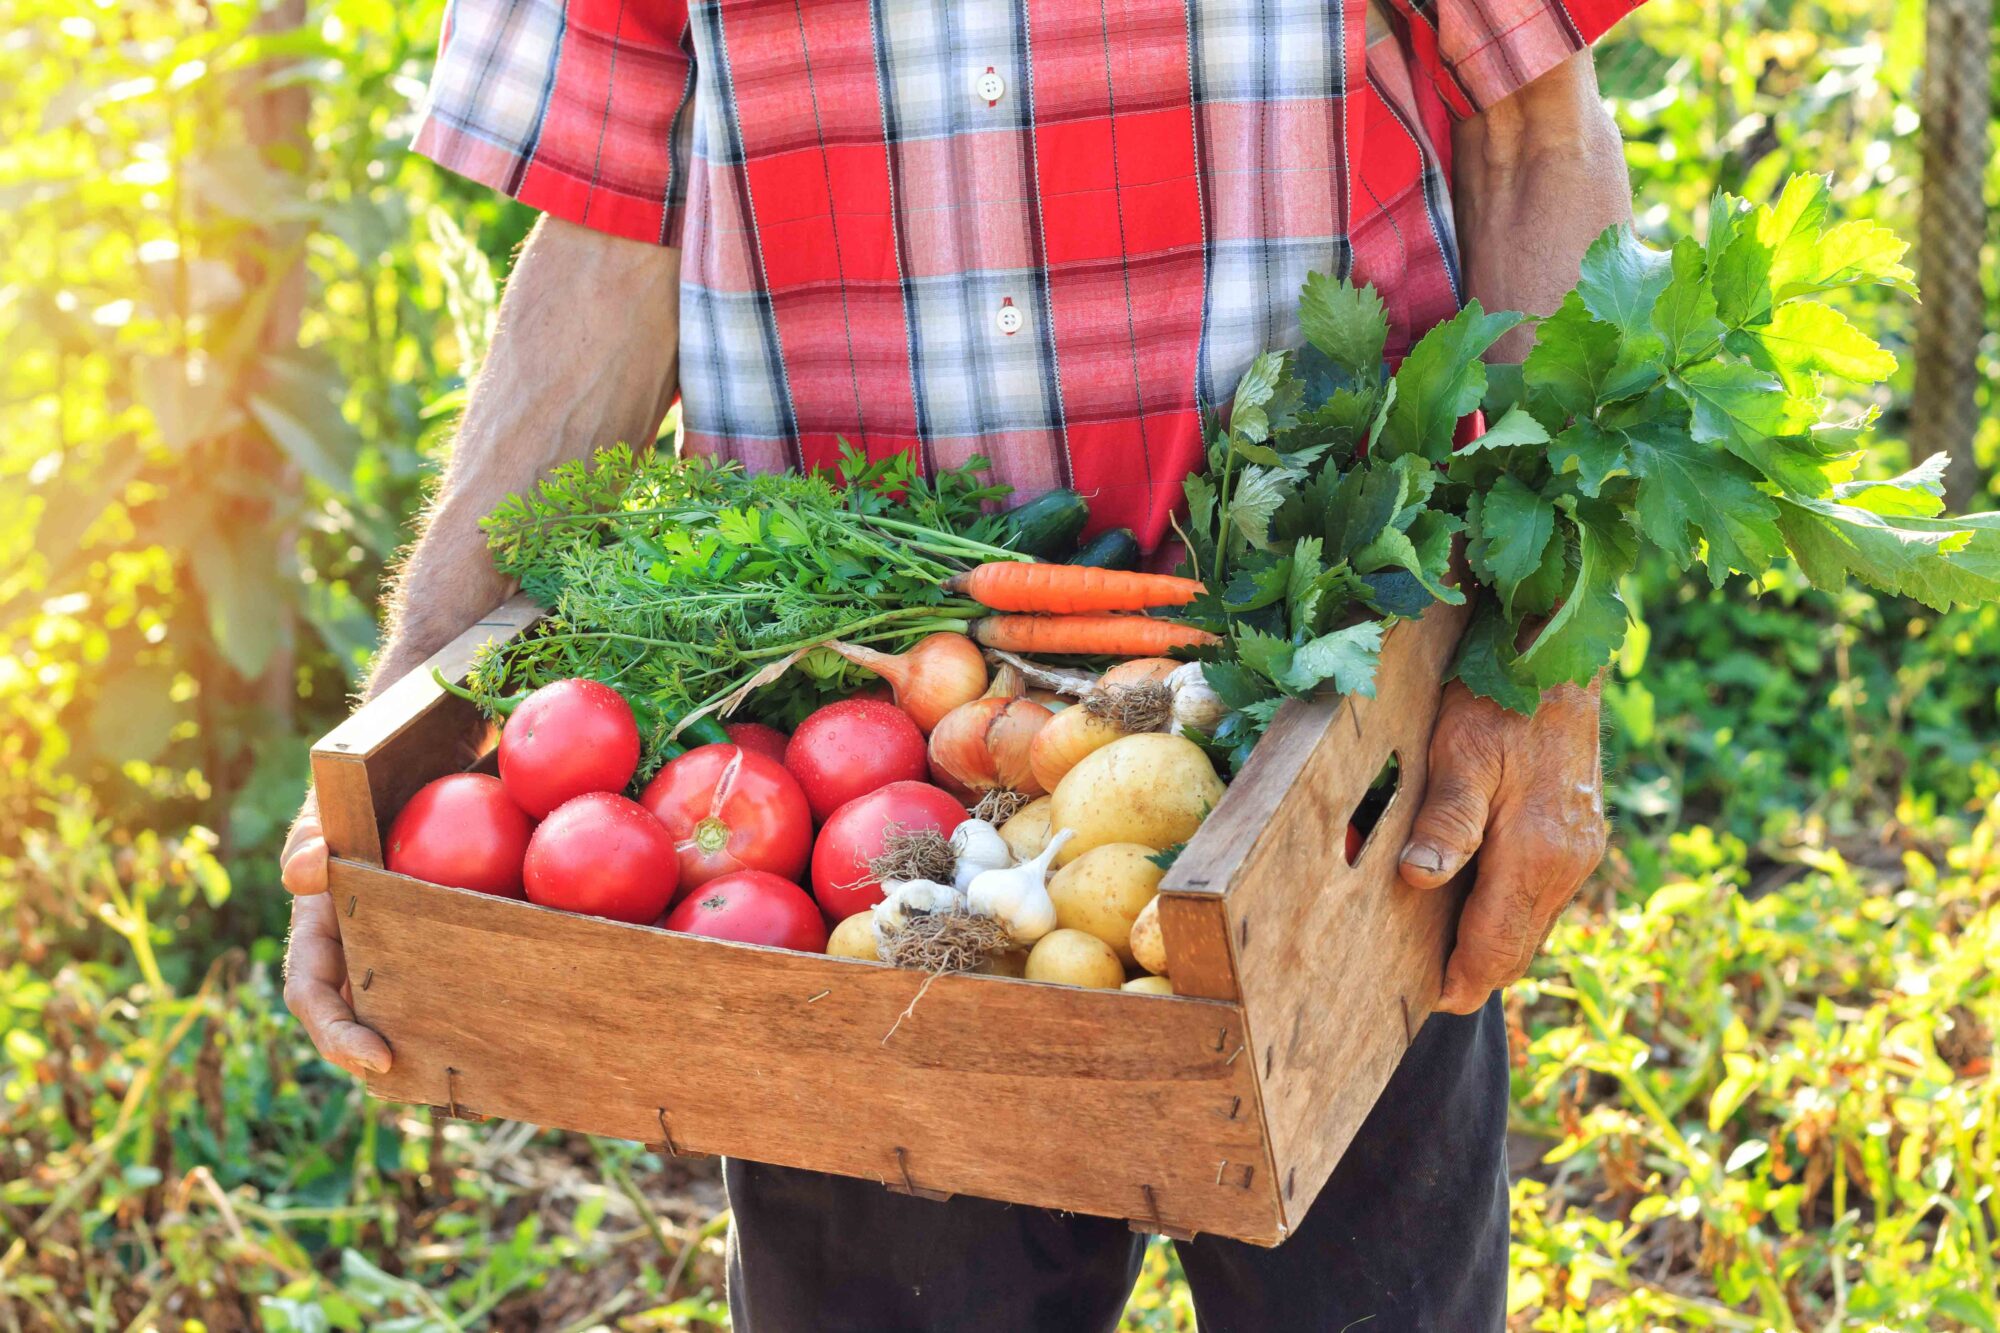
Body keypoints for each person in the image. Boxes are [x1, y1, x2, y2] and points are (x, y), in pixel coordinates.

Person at [282, 0, 1637, 1325]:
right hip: (879, 813)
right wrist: (392, 738)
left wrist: (1537, 679)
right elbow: (608, 241)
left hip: (1334, 713)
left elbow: (1532, 132)